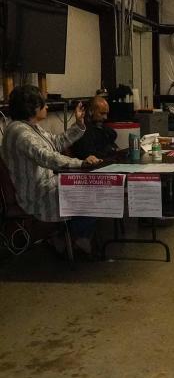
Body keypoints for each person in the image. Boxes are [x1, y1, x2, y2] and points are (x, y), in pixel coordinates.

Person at [0, 85, 101, 257]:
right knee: (91, 192)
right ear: (32, 107)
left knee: (94, 187)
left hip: (46, 184)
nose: (47, 107)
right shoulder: (19, 132)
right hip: (36, 194)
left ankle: (69, 238)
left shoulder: (30, 127)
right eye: (44, 104)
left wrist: (78, 125)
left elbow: (56, 142)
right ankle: (75, 238)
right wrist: (81, 163)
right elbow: (46, 157)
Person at [71, 93, 117, 160]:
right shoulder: (82, 131)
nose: (105, 117)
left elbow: (112, 135)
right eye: (102, 113)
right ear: (90, 111)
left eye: (106, 114)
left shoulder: (100, 127)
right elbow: (87, 154)